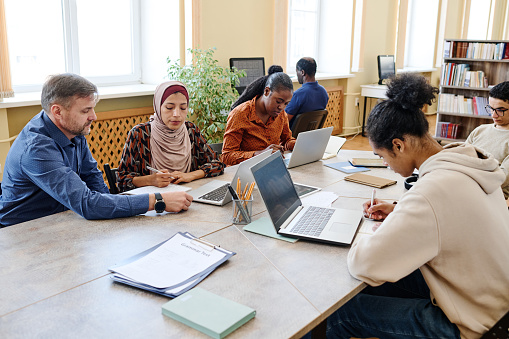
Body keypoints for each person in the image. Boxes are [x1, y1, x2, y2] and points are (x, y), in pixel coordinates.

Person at [326, 74, 509, 339]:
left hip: (474, 324)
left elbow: (364, 263)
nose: (386, 164)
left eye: (382, 156)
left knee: (342, 313)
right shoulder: (470, 163)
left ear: (398, 145)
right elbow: (451, 213)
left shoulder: (430, 193)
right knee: (378, 286)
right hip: (496, 303)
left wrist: (364, 235)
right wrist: (402, 209)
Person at [0, 74, 193, 227]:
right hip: (24, 231)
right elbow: (87, 204)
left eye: (92, 108)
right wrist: (158, 200)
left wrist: (111, 208)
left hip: (63, 219)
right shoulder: (36, 149)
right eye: (85, 111)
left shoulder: (73, 130)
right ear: (57, 111)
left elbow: (92, 176)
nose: (94, 116)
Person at [117, 81, 225, 192]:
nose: (177, 114)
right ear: (158, 107)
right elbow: (121, 180)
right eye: (169, 108)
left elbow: (217, 164)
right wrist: (150, 180)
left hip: (189, 197)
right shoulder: (140, 133)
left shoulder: (190, 130)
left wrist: (190, 176)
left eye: (183, 108)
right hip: (152, 203)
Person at [221, 67, 296, 166]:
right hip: (246, 171)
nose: (281, 107)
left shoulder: (280, 114)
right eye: (278, 101)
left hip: (271, 167)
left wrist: (298, 145)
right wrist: (260, 154)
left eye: (286, 103)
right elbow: (227, 156)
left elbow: (286, 140)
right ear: (266, 91)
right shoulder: (240, 114)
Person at [466, 80, 509, 199]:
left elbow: (501, 178)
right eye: (491, 108)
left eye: (500, 110)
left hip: (490, 197)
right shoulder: (480, 130)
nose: (494, 115)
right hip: (466, 186)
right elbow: (460, 157)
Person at [285, 57, 329, 130]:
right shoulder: (323, 92)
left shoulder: (298, 95)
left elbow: (284, 121)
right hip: (311, 135)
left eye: (297, 71)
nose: (297, 75)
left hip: (292, 137)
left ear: (302, 72)